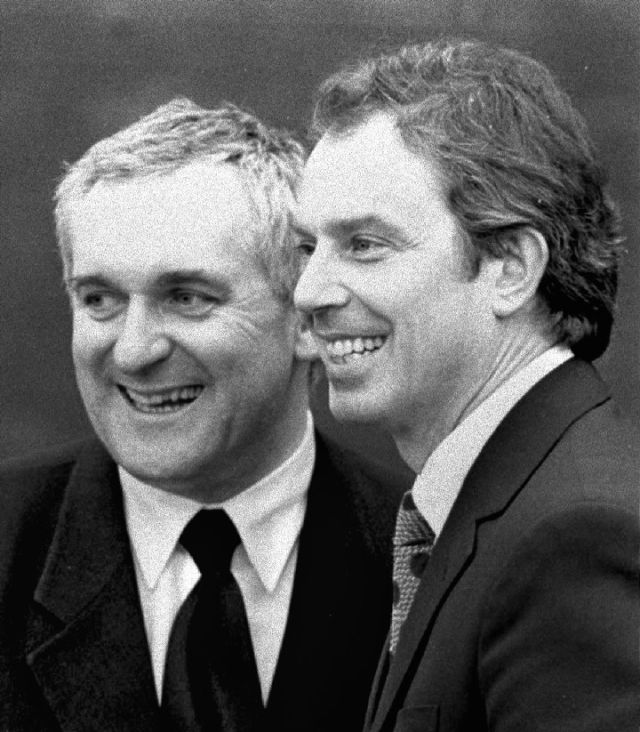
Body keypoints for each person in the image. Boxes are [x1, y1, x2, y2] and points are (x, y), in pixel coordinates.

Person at [0, 99, 407, 731]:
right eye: (100, 300)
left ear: (306, 317)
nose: (133, 351)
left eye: (187, 298)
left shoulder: (425, 558)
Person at [293, 39, 640, 732]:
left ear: (510, 267)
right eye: (308, 247)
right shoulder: (518, 503)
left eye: (364, 245)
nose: (308, 291)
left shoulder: (574, 540)